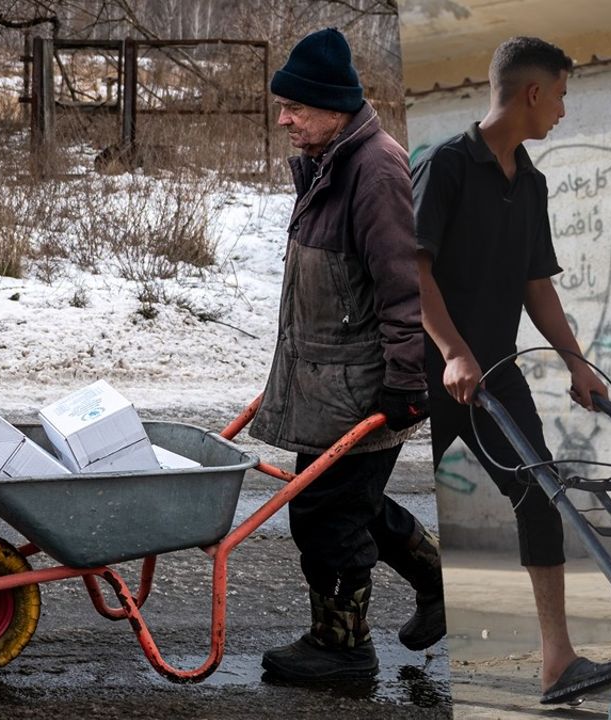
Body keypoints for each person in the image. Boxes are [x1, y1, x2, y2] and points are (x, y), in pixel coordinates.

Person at [411, 36, 611, 704]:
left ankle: (557, 663)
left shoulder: (530, 181)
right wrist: (452, 351)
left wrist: (577, 364)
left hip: (496, 373)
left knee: (541, 495)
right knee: (377, 496)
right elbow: (413, 266)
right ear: (534, 92)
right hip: (433, 368)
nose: (563, 110)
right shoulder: (447, 166)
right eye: (562, 94)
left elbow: (537, 283)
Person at [248, 28, 445, 682]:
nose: (284, 120)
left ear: (334, 107)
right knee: (347, 503)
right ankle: (438, 583)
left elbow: (401, 283)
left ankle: (342, 648)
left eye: (296, 108)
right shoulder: (329, 163)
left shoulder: (374, 170)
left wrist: (404, 381)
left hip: (365, 383)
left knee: (326, 514)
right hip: (332, 379)